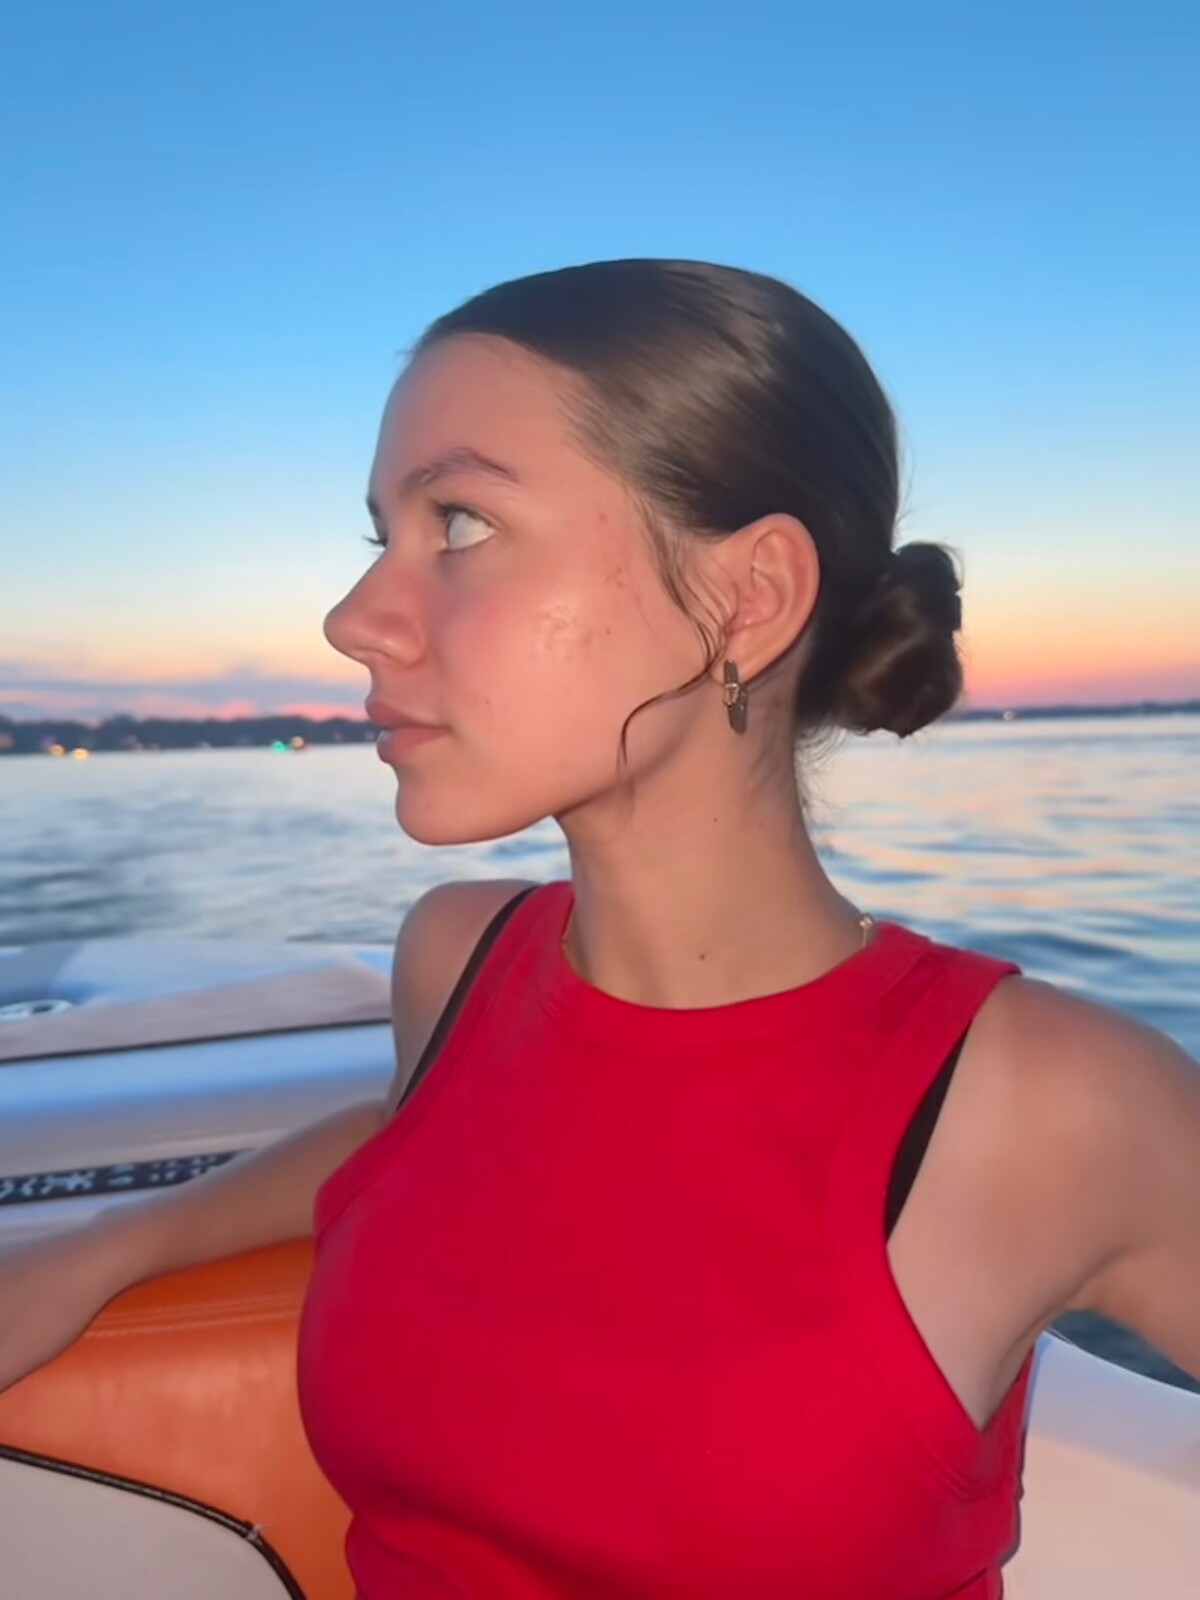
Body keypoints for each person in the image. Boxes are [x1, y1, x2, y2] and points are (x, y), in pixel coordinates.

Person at [2, 260, 1198, 1599]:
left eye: (461, 523)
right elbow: (420, 1131)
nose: (352, 621)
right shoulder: (457, 964)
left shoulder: (1047, 1103)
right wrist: (104, 1249)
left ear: (747, 597)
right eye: (380, 538)